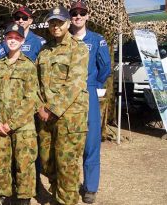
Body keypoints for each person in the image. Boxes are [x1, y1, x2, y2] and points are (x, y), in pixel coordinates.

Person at [36, 6, 89, 205]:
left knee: (67, 165)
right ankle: (58, 196)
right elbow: (38, 82)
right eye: (52, 22)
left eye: (59, 22)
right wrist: (40, 107)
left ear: (68, 23)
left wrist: (52, 109)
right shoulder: (45, 49)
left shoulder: (78, 48)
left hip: (69, 117)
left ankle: (66, 201)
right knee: (48, 163)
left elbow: (74, 84)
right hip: (45, 116)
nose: (55, 26)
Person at [69, 1, 111, 203]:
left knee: (91, 141)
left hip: (89, 91)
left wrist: (92, 84)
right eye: (74, 13)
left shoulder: (97, 39)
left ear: (88, 15)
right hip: (67, 96)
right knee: (67, 141)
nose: (78, 16)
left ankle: (90, 187)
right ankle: (67, 183)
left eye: (81, 13)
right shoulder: (64, 38)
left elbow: (105, 67)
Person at [0, 23, 39, 205]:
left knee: (24, 164)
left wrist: (11, 123)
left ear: (23, 40)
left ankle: (23, 199)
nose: (13, 40)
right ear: (5, 39)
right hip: (0, 125)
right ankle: (5, 195)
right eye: (10, 37)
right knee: (1, 164)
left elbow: (30, 99)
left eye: (17, 38)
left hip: (23, 126)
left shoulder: (28, 66)